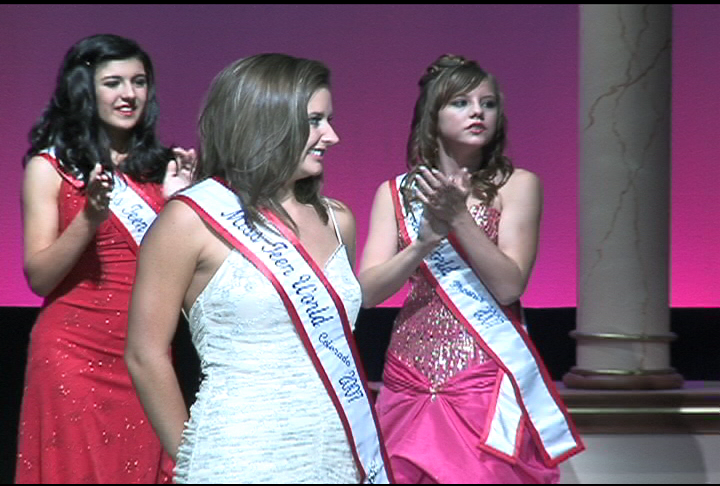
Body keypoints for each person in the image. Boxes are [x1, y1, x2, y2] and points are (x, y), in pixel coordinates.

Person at [124, 53, 392, 484]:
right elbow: (144, 354)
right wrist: (192, 461)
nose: (333, 136)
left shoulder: (338, 220)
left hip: (337, 456)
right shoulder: (189, 221)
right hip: (236, 457)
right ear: (268, 121)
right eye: (315, 120)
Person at [357, 54, 585, 483]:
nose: (478, 111)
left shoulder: (518, 185)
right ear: (433, 113)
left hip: (483, 373)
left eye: (489, 103)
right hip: (409, 373)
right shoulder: (393, 193)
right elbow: (368, 292)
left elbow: (508, 285)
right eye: (461, 102)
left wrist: (458, 217)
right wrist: (424, 243)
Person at [16, 33, 195, 484]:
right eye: (113, 82)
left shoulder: (163, 169)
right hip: (72, 355)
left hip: (147, 352)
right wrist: (89, 219)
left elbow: (181, 283)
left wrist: (181, 206)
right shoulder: (49, 167)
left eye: (139, 82)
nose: (129, 94)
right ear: (84, 89)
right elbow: (39, 277)